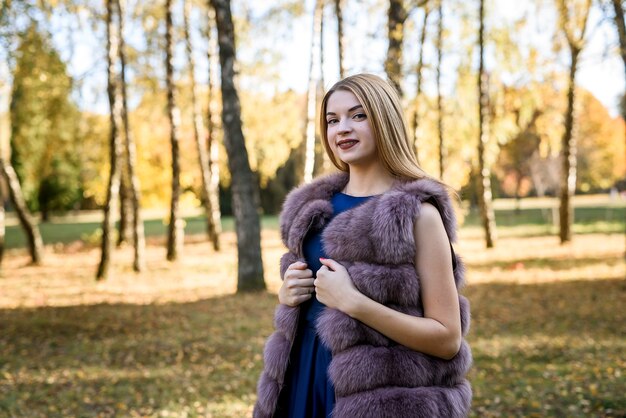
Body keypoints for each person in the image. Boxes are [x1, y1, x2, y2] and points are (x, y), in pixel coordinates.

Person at [254, 73, 471, 418]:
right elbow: (312, 301)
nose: (342, 128)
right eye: (332, 119)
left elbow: (447, 339)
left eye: (358, 116)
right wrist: (288, 295)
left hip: (380, 398)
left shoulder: (416, 214)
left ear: (384, 121)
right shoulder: (311, 211)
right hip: (303, 376)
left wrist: (354, 303)